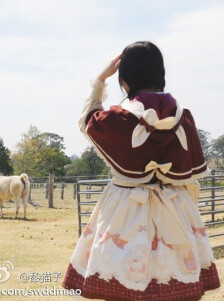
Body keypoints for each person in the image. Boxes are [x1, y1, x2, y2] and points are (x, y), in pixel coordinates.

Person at [62, 41, 220, 300]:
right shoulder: (185, 118)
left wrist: (100, 82)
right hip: (176, 208)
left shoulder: (119, 118)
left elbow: (87, 122)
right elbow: (190, 179)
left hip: (126, 213)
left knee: (121, 289)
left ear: (125, 79)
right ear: (161, 75)